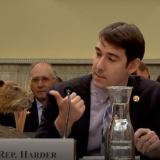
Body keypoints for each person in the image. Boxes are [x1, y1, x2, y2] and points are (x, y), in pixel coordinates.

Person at [35, 22, 160, 159]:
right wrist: (63, 121)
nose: (99, 66)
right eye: (98, 54)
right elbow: (39, 154)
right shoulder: (63, 93)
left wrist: (156, 150)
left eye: (111, 59)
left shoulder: (153, 95)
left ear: (132, 65)